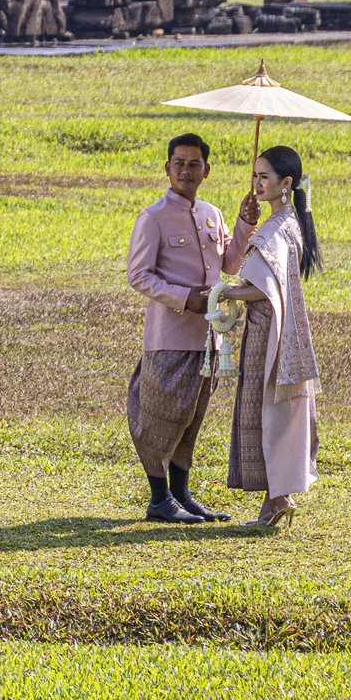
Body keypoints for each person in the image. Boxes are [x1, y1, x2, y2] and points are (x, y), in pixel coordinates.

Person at [126, 134, 256, 524]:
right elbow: (139, 276)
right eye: (179, 163)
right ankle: (159, 498)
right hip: (169, 336)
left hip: (208, 338)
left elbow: (230, 264)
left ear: (206, 170)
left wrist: (245, 222)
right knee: (159, 415)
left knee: (191, 417)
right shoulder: (152, 218)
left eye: (194, 164)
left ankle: (181, 494)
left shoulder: (212, 215)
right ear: (167, 168)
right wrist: (187, 298)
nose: (186, 170)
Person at [216, 146, 322, 530]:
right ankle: (275, 500)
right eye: (255, 175)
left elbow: (264, 287)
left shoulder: (277, 228)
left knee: (263, 409)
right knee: (274, 409)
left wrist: (228, 292)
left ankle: (278, 497)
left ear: (286, 183)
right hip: (285, 328)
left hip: (267, 330)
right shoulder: (289, 222)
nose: (257, 183)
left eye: (264, 176)